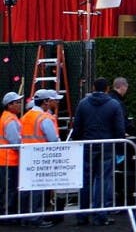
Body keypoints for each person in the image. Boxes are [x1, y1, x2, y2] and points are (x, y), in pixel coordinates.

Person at [73, 77, 126, 226]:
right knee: (103, 180)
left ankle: (82, 215)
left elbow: (77, 127)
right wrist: (120, 148)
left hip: (88, 145)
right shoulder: (114, 104)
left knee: (86, 180)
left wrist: (77, 142)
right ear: (107, 88)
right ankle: (100, 214)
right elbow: (119, 129)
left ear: (93, 88)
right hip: (107, 146)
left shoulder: (83, 104)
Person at [22, 89, 62, 228]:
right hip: (40, 157)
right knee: (37, 189)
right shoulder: (43, 118)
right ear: (45, 102)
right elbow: (52, 139)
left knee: (28, 188)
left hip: (27, 157)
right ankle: (36, 217)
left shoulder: (26, 116)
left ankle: (26, 216)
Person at [0, 92, 23, 217]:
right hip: (9, 160)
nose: (19, 105)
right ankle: (8, 215)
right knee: (10, 189)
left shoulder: (7, 117)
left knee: (7, 189)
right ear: (9, 105)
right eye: (17, 102)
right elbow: (15, 141)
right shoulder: (10, 120)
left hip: (6, 159)